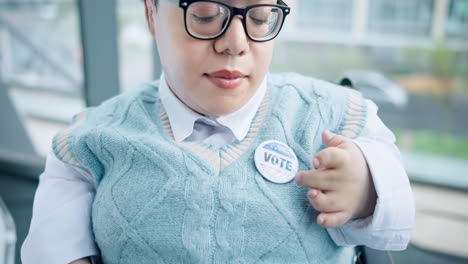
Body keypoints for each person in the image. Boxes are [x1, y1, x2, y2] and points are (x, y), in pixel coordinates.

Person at [21, 0, 415, 263]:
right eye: (207, 15)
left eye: (260, 18)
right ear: (150, 14)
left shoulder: (335, 116)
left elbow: (396, 224)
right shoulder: (88, 141)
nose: (236, 44)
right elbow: (52, 251)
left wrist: (367, 191)